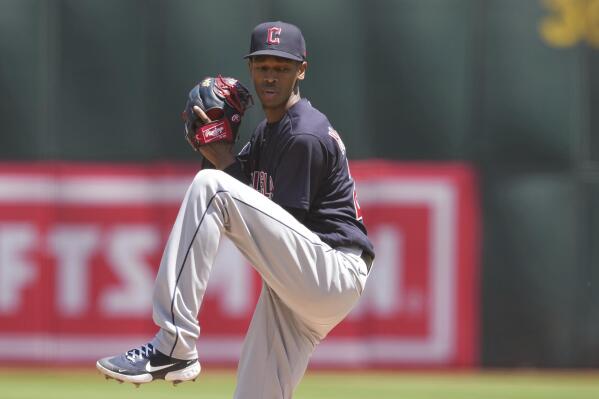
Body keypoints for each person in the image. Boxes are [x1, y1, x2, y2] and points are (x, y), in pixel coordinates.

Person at [96, 21, 375, 398]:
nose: (271, 77)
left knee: (210, 189)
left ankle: (174, 344)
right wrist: (212, 147)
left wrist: (222, 164)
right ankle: (176, 347)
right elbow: (238, 203)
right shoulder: (267, 134)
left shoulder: (304, 133)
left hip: (331, 269)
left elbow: (275, 222)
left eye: (281, 67)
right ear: (251, 69)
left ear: (301, 70)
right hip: (299, 290)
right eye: (263, 67)